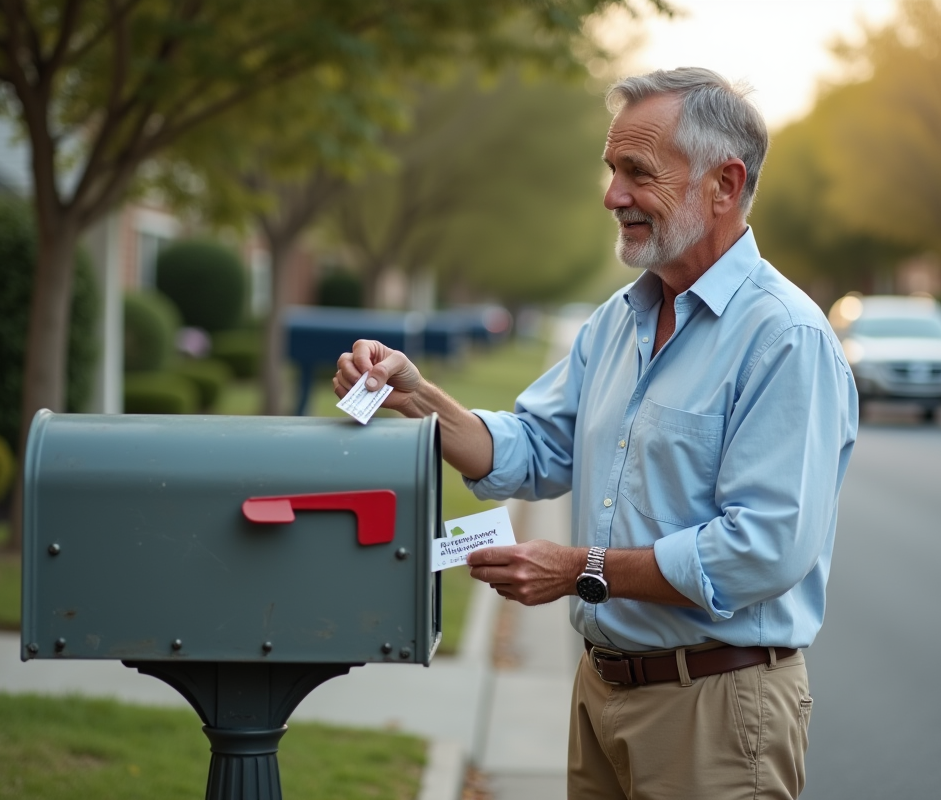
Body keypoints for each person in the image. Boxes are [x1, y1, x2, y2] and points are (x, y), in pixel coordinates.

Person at [334, 67, 858, 800]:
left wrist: (582, 567)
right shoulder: (618, 320)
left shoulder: (786, 338)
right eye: (611, 170)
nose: (613, 196)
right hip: (600, 694)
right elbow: (535, 449)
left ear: (724, 185)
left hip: (714, 710)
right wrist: (416, 397)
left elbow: (764, 550)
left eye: (637, 172)